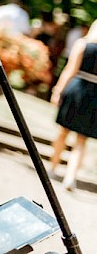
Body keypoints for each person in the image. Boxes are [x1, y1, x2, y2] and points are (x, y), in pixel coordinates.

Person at [48, 20, 97, 191]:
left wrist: (58, 90)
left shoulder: (82, 44)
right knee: (81, 140)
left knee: (63, 132)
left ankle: (53, 168)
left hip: (77, 89)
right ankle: (70, 177)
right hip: (95, 96)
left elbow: (70, 69)